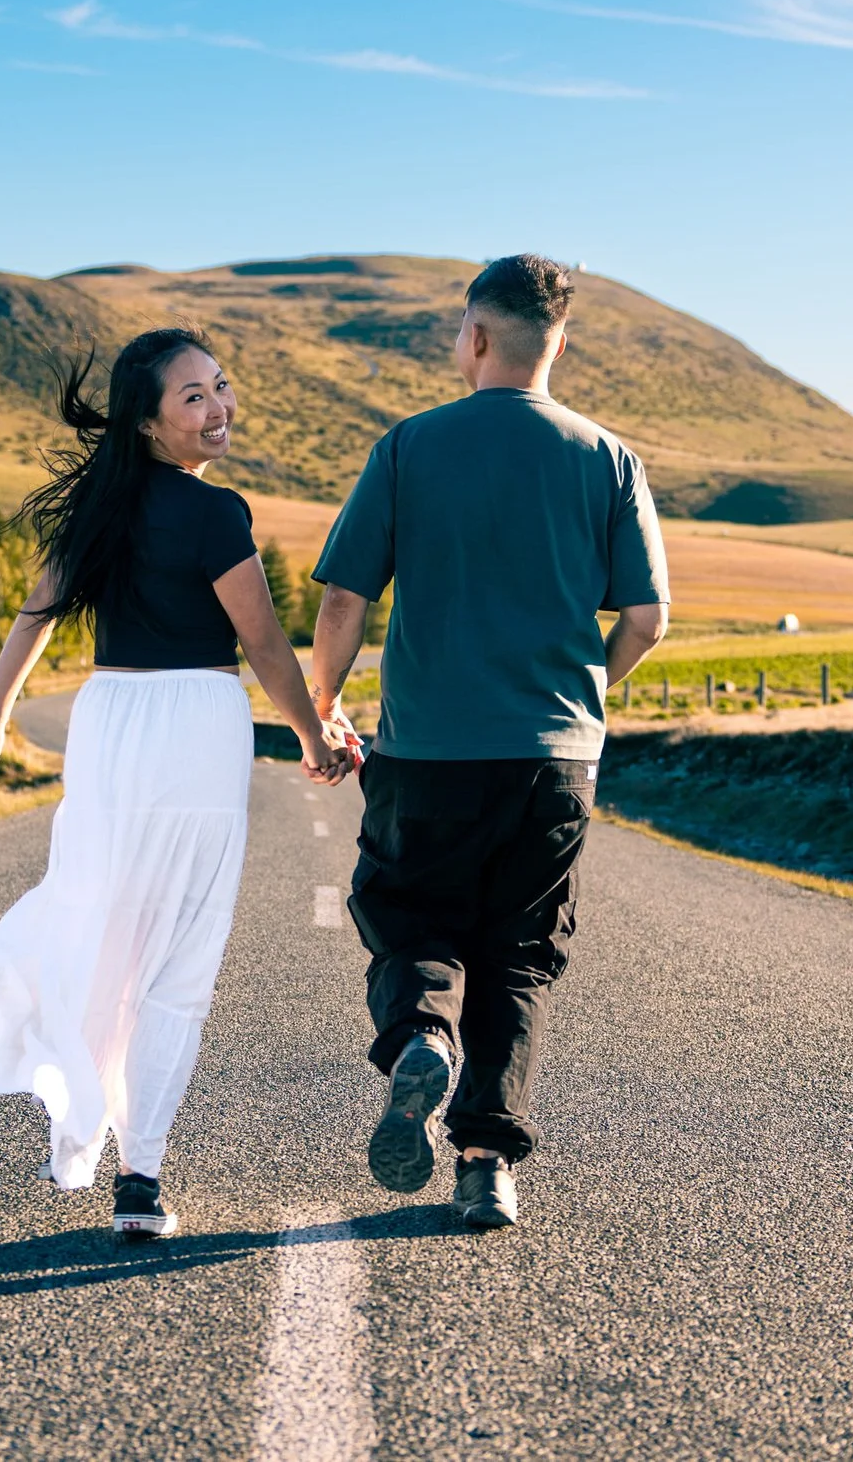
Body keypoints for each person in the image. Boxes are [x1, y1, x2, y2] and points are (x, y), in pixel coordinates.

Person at [0, 327, 351, 1240]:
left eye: (219, 387)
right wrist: (311, 733)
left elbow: (36, 618)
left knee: (103, 926)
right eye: (193, 398)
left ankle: (87, 1123)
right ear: (147, 420)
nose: (217, 409)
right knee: (179, 958)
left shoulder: (93, 509)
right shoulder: (217, 516)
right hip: (195, 728)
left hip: (107, 726)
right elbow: (259, 643)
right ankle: (143, 1173)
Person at [307, 254, 670, 1230]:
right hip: (555, 755)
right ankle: (483, 1164)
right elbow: (646, 616)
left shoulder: (409, 446)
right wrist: (586, 690)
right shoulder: (607, 457)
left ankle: (422, 1032)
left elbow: (344, 596)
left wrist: (324, 703)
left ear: (475, 336)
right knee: (518, 952)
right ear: (559, 340)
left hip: (426, 748)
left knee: (404, 907)